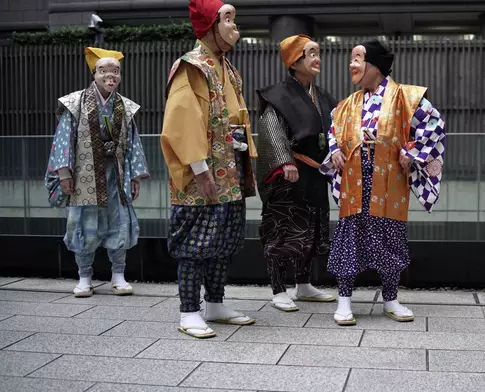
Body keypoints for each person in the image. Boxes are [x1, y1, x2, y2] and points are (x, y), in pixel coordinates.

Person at [319, 39, 446, 325]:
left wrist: (411, 152)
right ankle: (344, 301)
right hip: (355, 179)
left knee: (391, 236)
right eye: (351, 59)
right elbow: (333, 130)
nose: (351, 64)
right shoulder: (347, 104)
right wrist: (336, 150)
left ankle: (391, 299)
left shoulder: (405, 97)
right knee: (350, 237)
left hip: (389, 181)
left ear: (375, 65)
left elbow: (434, 124)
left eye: (357, 58)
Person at [160, 0, 258, 339]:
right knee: (194, 243)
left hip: (228, 167)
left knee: (223, 240)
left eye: (234, 19)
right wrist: (200, 170)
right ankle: (189, 311)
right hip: (201, 173)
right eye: (227, 19)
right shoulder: (192, 66)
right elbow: (181, 121)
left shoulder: (225, 66)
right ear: (209, 26)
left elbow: (234, 115)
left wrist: (241, 145)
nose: (235, 26)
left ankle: (215, 304)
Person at [45, 47, 150, 298]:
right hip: (84, 175)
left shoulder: (125, 107)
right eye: (104, 71)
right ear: (94, 74)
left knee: (119, 222)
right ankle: (84, 277)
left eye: (115, 71)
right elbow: (63, 138)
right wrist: (64, 173)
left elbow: (133, 142)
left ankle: (119, 275)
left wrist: (135, 176)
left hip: (116, 175)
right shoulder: (75, 102)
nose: (110, 76)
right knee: (83, 222)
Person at [256, 34, 338, 311]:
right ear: (294, 61)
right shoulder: (277, 95)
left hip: (315, 172)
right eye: (311, 53)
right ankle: (278, 288)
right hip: (288, 173)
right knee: (281, 229)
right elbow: (270, 129)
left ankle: (303, 284)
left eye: (318, 53)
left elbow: (336, 129)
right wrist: (283, 161)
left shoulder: (323, 96)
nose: (317, 58)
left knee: (313, 228)